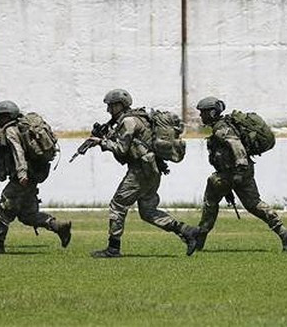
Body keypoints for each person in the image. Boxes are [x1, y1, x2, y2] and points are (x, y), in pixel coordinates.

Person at [85, 89, 200, 258]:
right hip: (152, 170)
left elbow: (121, 149)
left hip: (140, 171)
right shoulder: (137, 118)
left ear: (120, 105)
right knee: (148, 212)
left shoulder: (129, 121)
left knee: (118, 205)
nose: (109, 110)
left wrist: (102, 142)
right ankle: (187, 231)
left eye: (111, 106)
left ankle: (113, 248)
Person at [194, 97, 287, 252]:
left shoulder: (221, 129)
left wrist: (239, 170)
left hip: (235, 173)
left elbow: (237, 146)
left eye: (203, 112)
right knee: (254, 204)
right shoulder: (223, 126)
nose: (201, 116)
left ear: (213, 112)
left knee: (211, 197)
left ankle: (199, 238)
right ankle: (284, 232)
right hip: (241, 172)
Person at [0, 100, 72, 254]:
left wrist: (22, 173)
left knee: (3, 209)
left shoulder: (10, 130)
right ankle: (58, 227)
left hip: (22, 178)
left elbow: (18, 152)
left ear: (6, 116)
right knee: (27, 215)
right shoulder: (18, 128)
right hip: (32, 176)